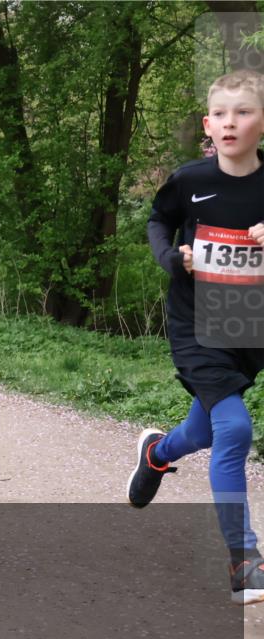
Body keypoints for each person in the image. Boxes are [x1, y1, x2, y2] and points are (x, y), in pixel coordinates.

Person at [127, 70, 264, 605]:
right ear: (208, 125)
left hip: (249, 322)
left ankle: (157, 454)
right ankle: (244, 561)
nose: (232, 122)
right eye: (222, 114)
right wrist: (172, 257)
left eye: (244, 111)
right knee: (233, 428)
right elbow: (158, 223)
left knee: (205, 429)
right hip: (196, 321)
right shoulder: (189, 179)